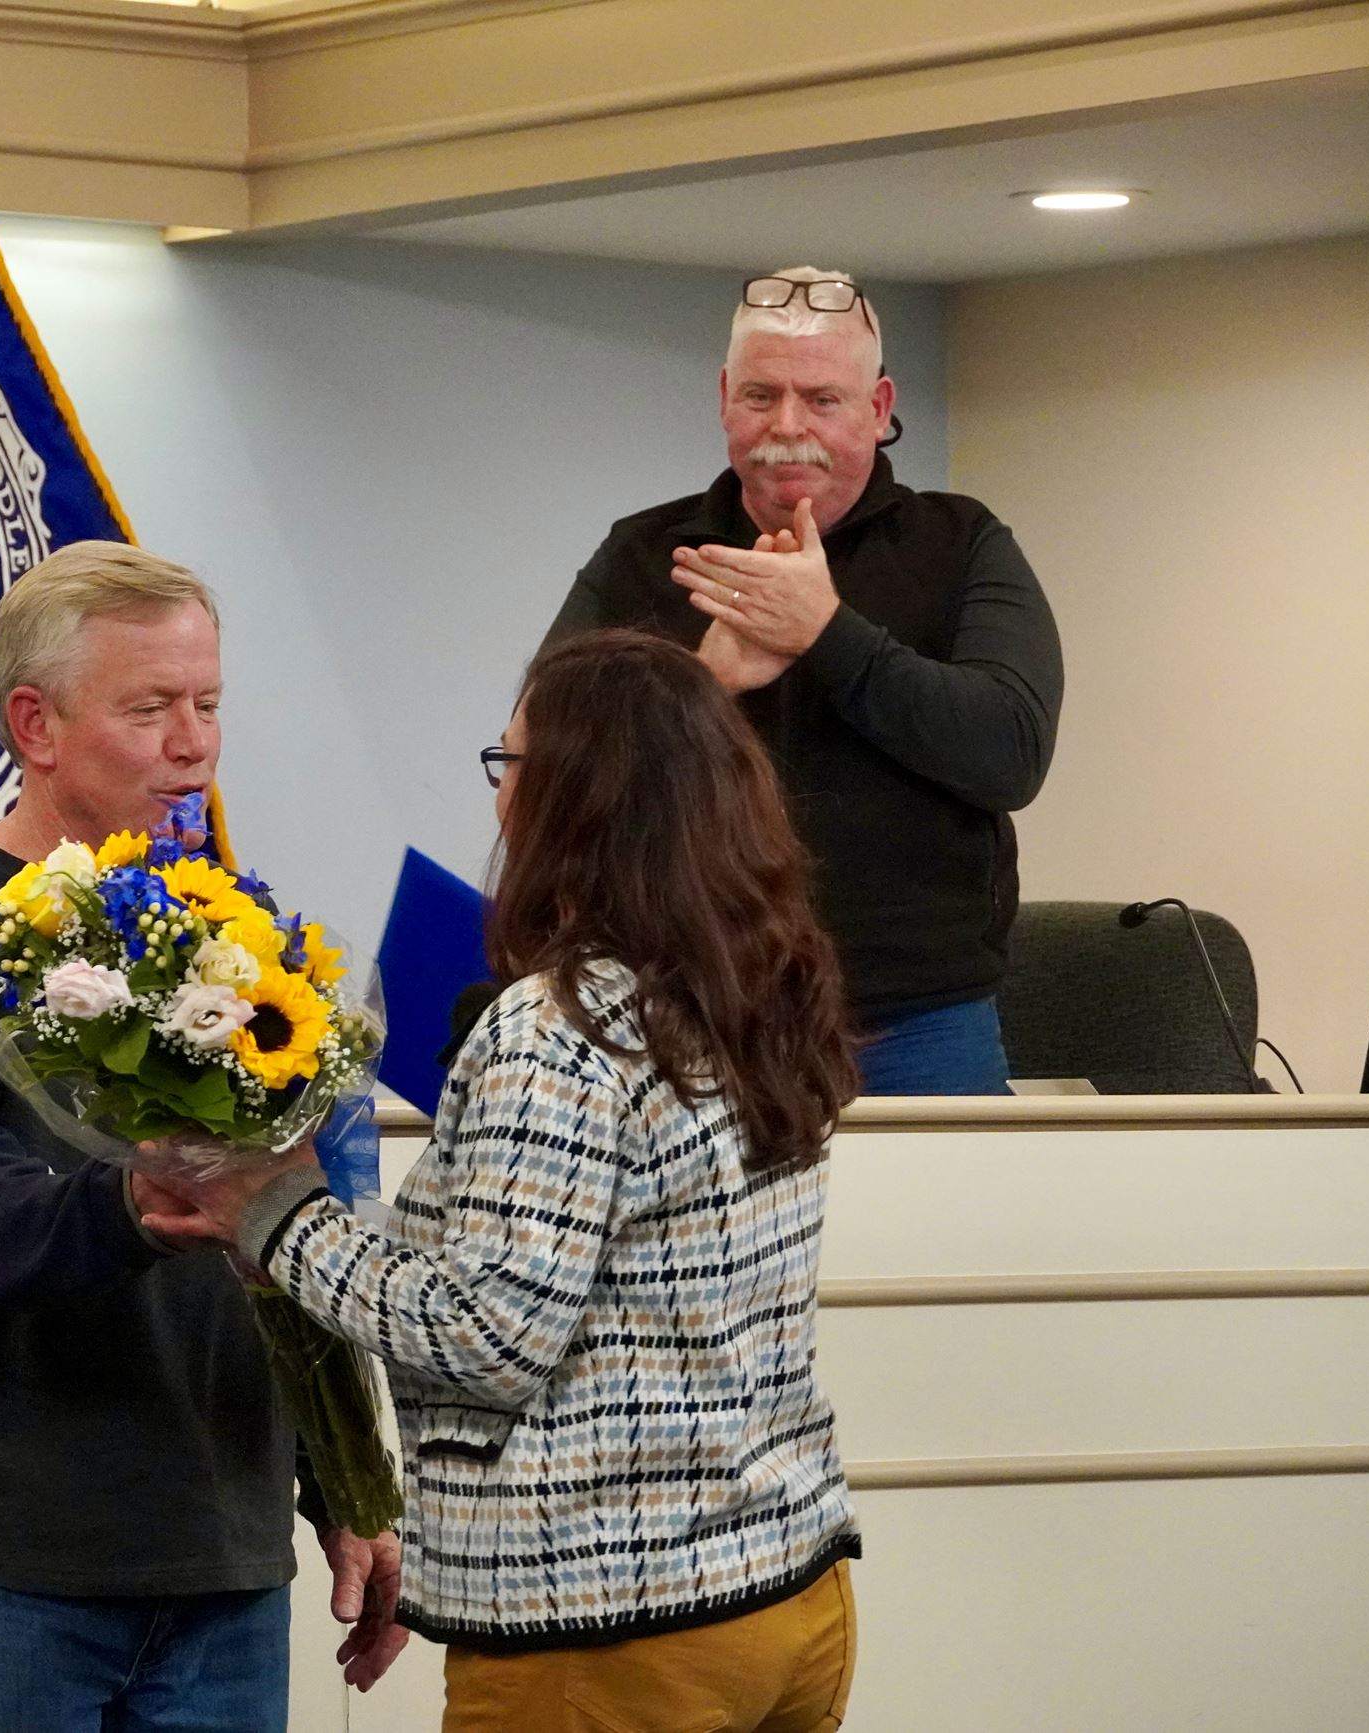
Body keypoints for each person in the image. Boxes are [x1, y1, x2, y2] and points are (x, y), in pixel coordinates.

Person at [142, 629, 865, 1733]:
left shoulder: (559, 1027)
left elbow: (490, 1334)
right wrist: (350, 1224)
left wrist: (271, 1213)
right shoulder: (757, 984)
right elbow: (586, 1266)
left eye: (509, 762)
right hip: (786, 1593)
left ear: (575, 797)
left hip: (611, 1632)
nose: (497, 794)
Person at [0, 541, 407, 1732]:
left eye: (208, 702)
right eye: (150, 708)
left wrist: (346, 1478)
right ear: (33, 721)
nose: (193, 742)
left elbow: (306, 1240)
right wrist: (126, 1207)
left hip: (223, 1559)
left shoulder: (250, 940)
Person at [544, 266, 1064, 1094]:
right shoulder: (645, 555)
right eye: (761, 396)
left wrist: (827, 632)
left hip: (916, 1026)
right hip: (683, 1016)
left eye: (822, 399)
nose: (788, 426)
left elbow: (1009, 751)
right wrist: (702, 683)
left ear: (879, 408)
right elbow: (545, 769)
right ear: (724, 399)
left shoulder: (960, 544)